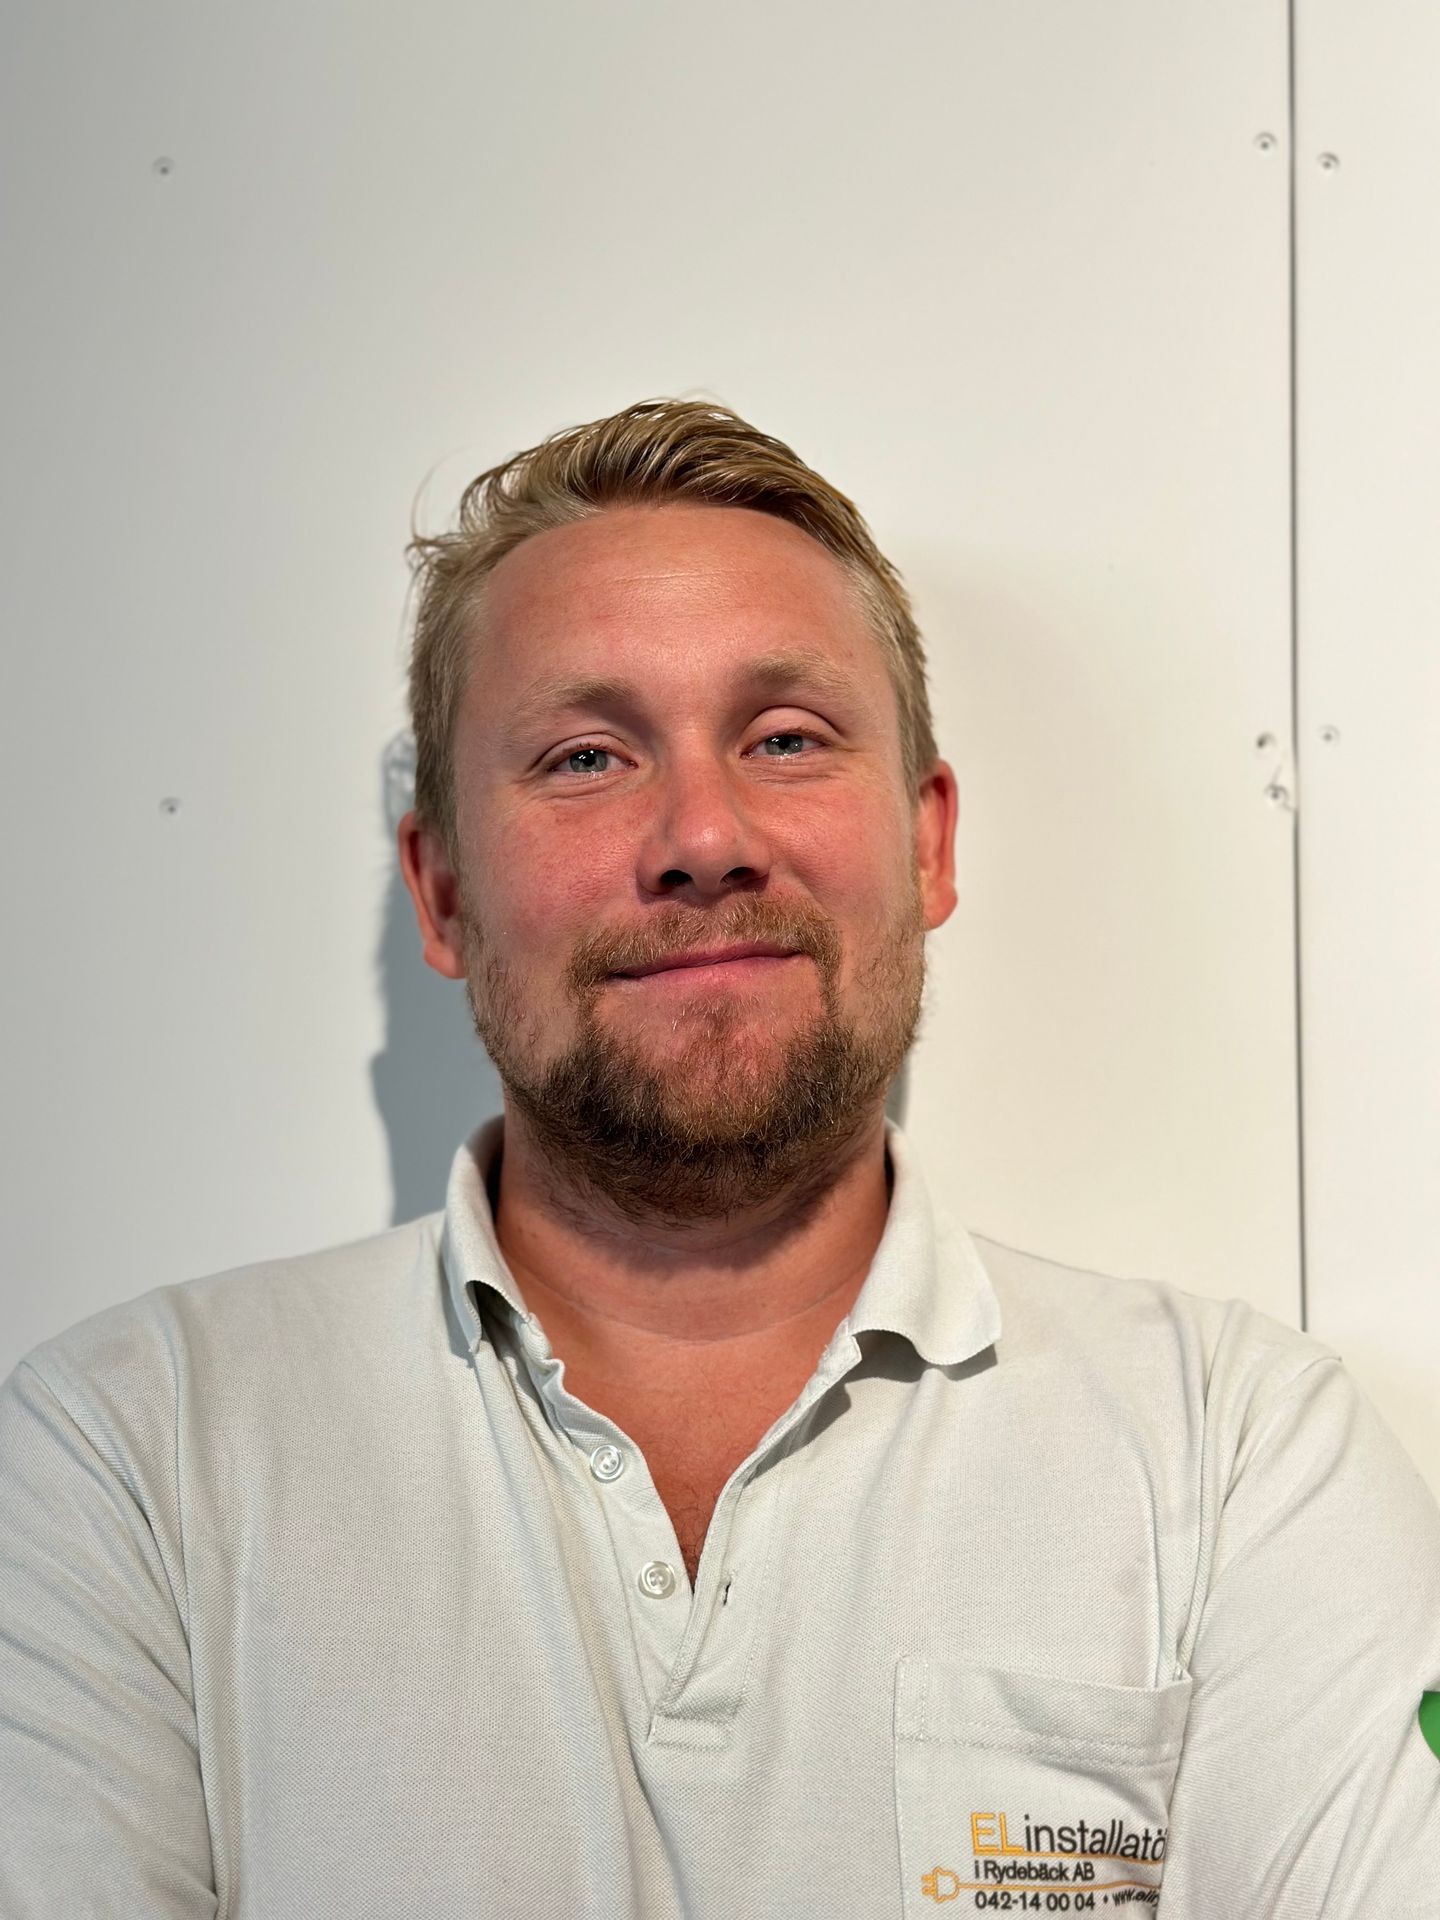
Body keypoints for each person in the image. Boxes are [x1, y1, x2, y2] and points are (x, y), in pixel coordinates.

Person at [2, 397, 1437, 1918]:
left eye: (786, 737)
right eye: (583, 757)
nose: (702, 834)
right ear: (441, 895)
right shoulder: (133, 1461)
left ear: (930, 844)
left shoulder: (1239, 1461)